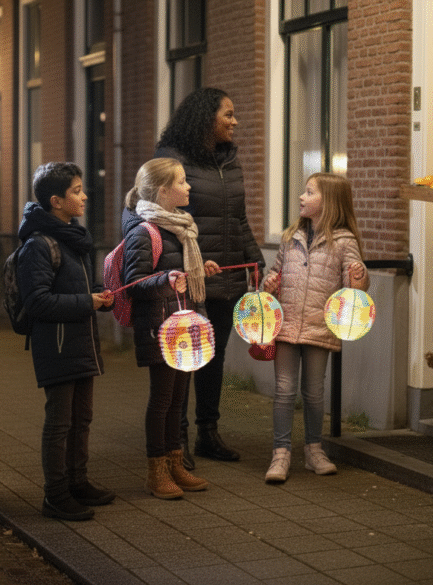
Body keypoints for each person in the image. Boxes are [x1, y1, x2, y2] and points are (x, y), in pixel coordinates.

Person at [154, 87, 265, 469]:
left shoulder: (230, 161)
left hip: (227, 275)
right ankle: (177, 439)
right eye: (228, 115)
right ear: (206, 118)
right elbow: (159, 216)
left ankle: (208, 433)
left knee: (213, 357)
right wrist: (179, 268)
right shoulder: (172, 159)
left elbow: (238, 218)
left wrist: (255, 260)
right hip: (191, 278)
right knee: (185, 358)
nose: (236, 122)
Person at [16, 162, 117, 521]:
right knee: (60, 422)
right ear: (56, 201)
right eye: (76, 191)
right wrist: (88, 302)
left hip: (82, 342)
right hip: (57, 346)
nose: (84, 196)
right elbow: (37, 302)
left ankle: (78, 482)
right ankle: (55, 495)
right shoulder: (38, 245)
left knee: (81, 418)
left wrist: (101, 296)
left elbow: (84, 287)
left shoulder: (75, 239)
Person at [122, 158, 221, 499]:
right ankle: (157, 471)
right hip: (161, 329)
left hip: (184, 326)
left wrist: (197, 271)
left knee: (178, 401)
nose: (188, 186)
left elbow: (176, 270)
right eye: (181, 181)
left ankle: (175, 463)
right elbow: (133, 283)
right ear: (163, 192)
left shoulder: (181, 227)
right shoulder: (144, 231)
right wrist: (166, 279)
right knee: (162, 400)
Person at [261, 173, 369, 483]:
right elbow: (275, 272)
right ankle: (280, 453)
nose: (302, 197)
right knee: (284, 390)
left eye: (310, 192)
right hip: (286, 324)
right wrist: (270, 284)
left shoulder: (344, 241)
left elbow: (353, 290)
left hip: (319, 327)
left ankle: (314, 450)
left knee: (313, 392)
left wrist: (359, 278)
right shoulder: (290, 236)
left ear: (330, 202)